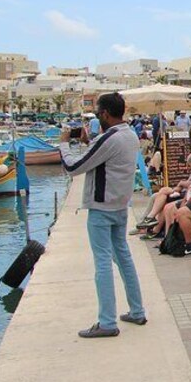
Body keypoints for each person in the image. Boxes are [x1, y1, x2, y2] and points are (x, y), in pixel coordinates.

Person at [59, 92, 146, 338]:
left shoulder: (109, 138)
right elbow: (101, 159)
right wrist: (89, 143)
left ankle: (107, 322)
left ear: (105, 114)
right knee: (124, 258)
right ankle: (137, 310)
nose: (98, 116)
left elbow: (74, 167)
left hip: (102, 208)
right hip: (120, 206)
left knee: (102, 263)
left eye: (98, 113)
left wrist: (65, 143)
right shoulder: (130, 136)